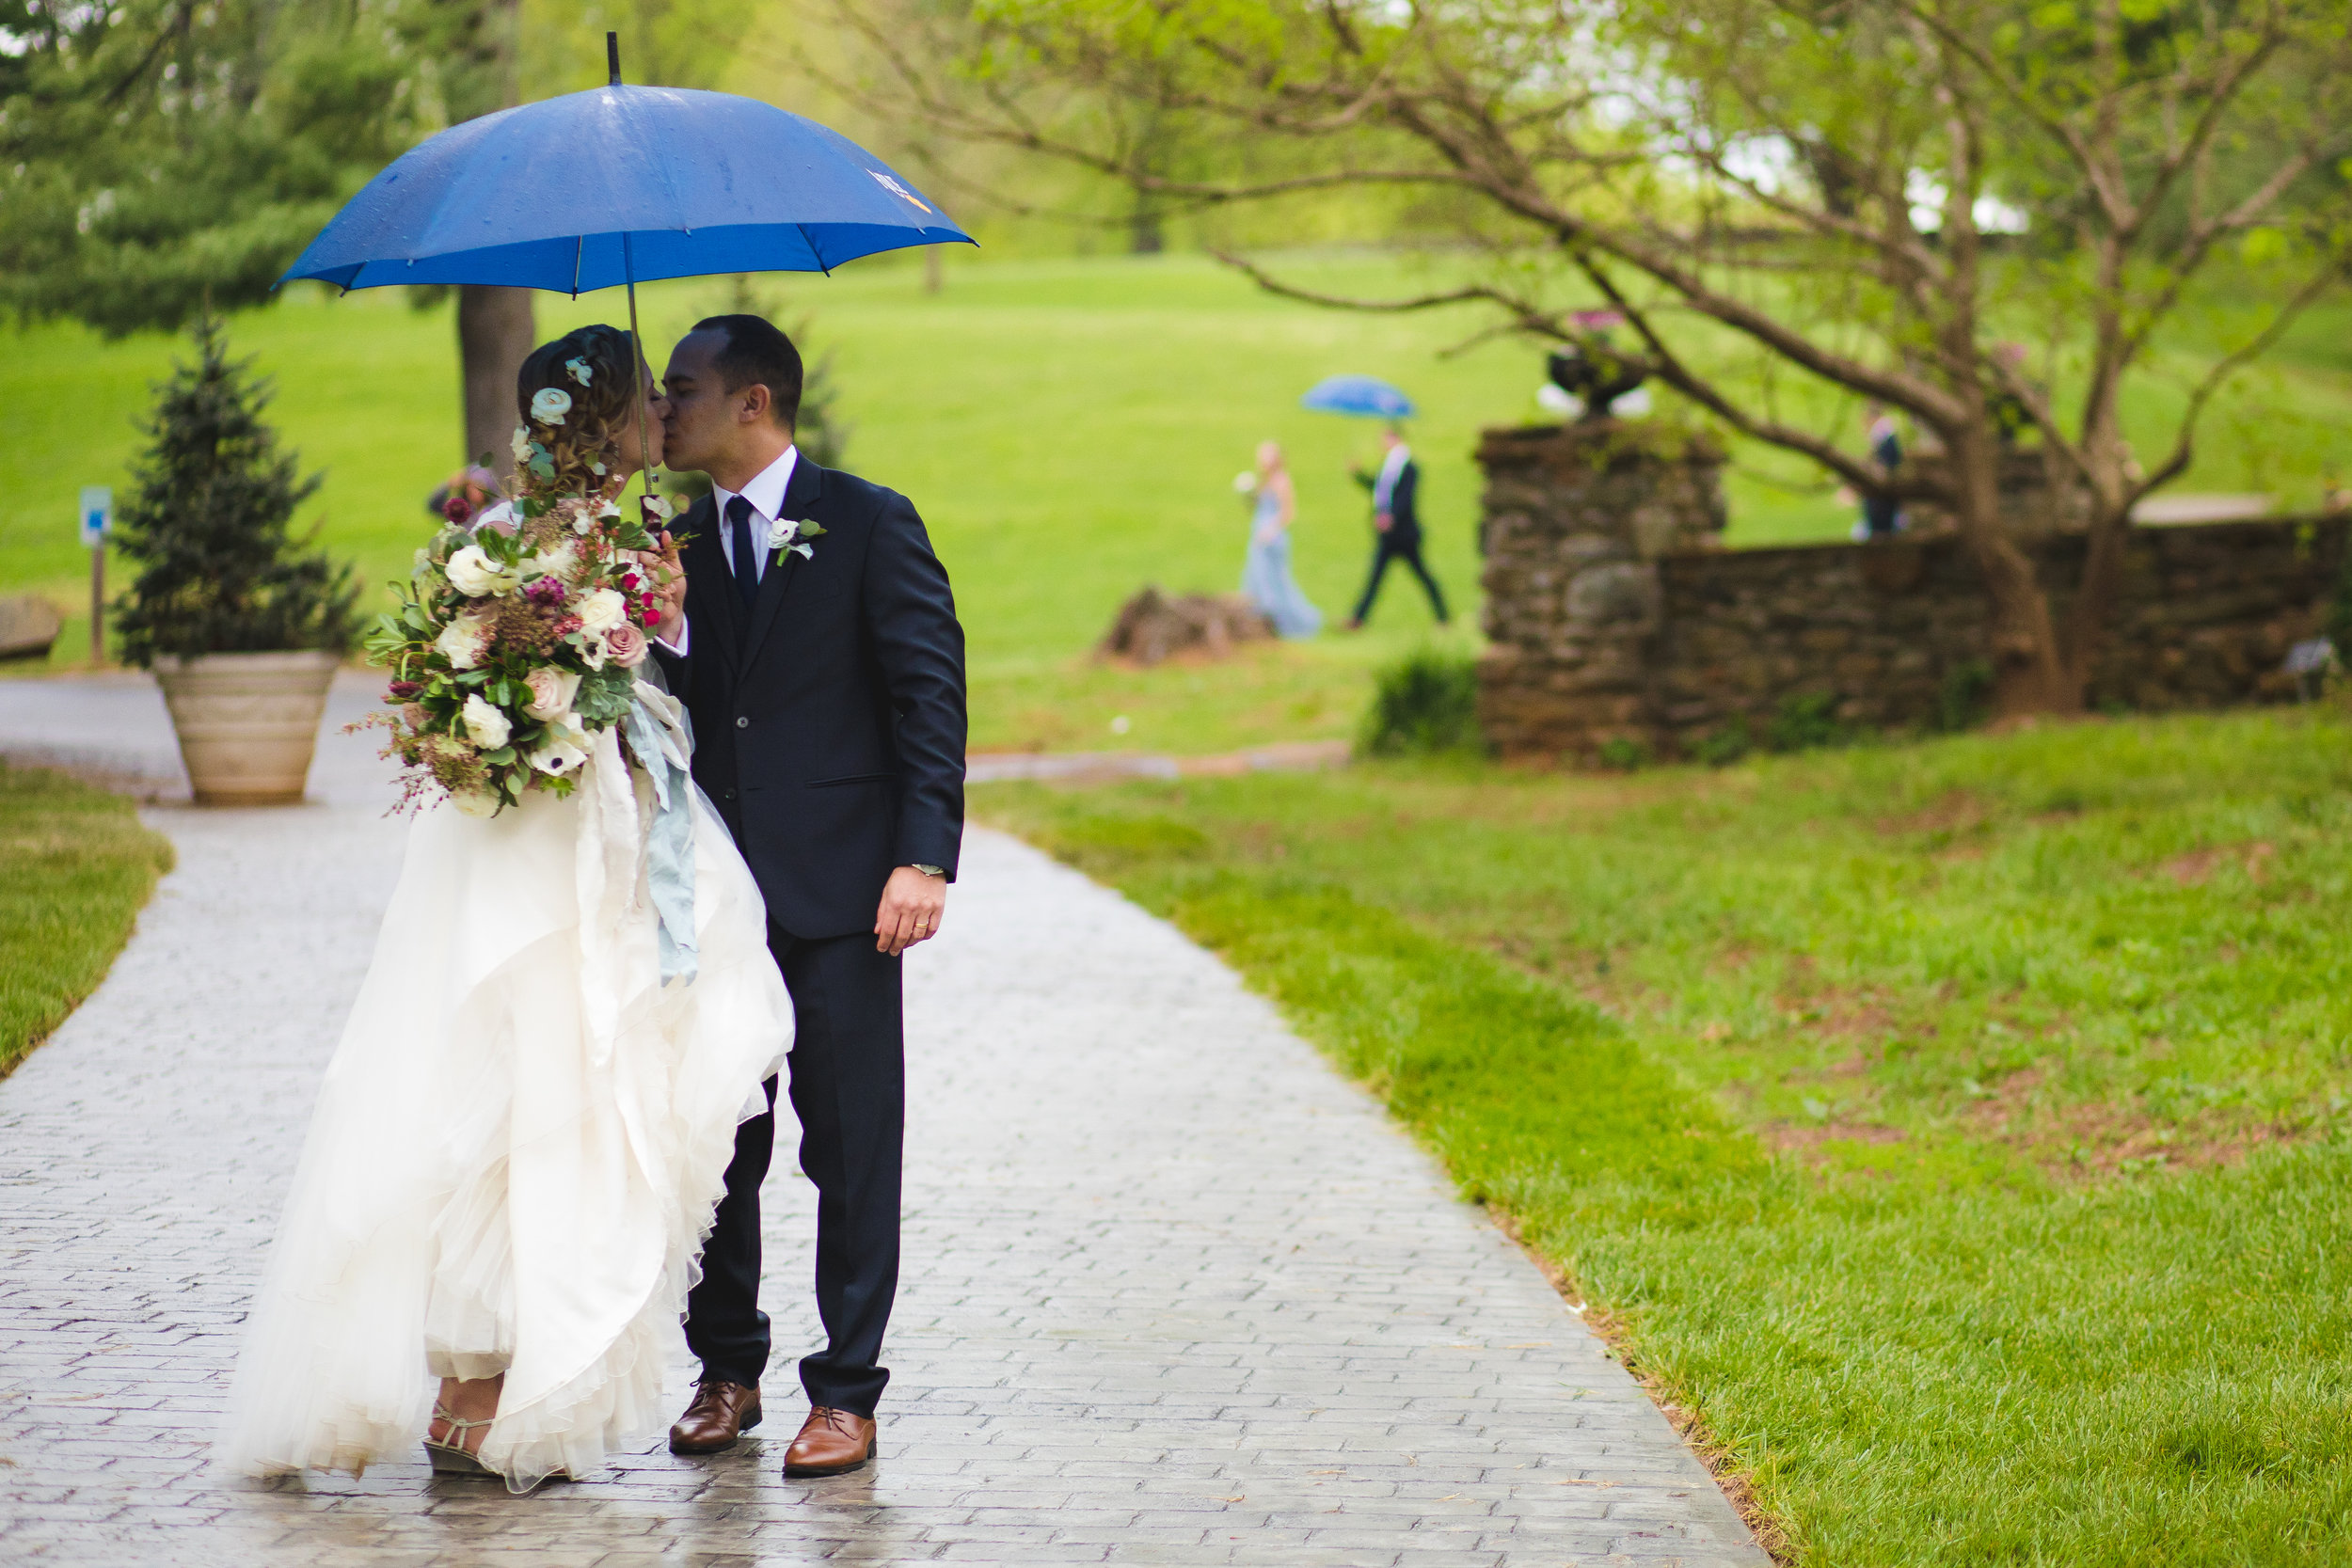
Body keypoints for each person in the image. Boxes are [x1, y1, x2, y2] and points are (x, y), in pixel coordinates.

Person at [219, 325, 793, 1492]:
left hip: (596, 829)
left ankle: (481, 1390)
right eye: (649, 405)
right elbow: (454, 694)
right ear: (608, 424)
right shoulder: (529, 550)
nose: (663, 423)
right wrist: (558, 692)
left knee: (542, 1091)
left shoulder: (576, 545)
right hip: (547, 841)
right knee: (528, 1093)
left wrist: (666, 616)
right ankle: (479, 1390)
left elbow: (653, 672)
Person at [651, 315, 966, 1481]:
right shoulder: (667, 540)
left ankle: (844, 1392)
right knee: (719, 1145)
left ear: (754, 403)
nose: (660, 410)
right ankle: (725, 1369)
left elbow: (929, 694)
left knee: (848, 1145)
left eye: (679, 391)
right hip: (712, 894)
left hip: (843, 890)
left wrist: (922, 856)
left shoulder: (871, 520)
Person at [1346, 426, 1449, 629]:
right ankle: (1357, 619)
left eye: (1385, 438)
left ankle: (1443, 616)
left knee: (1423, 576)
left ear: (1396, 438)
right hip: (1388, 537)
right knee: (1375, 577)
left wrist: (1389, 515)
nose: (1382, 443)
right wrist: (1357, 474)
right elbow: (1379, 489)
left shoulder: (1409, 467)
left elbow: (1405, 497)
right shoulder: (1389, 467)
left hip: (1405, 534)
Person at [1239, 441, 1322, 639]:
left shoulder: (1282, 481)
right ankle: (1258, 621)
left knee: (1274, 580)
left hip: (1271, 539)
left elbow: (1288, 513)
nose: (1261, 461)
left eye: (1264, 456)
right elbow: (1259, 507)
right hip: (1259, 537)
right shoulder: (1265, 480)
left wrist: (1270, 530)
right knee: (1257, 577)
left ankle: (1285, 621)